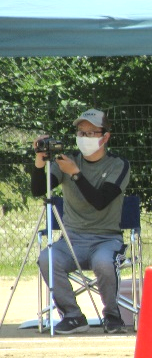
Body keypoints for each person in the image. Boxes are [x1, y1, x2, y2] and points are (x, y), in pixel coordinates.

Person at [31, 109, 131, 334]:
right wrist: (39, 161)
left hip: (106, 239)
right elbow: (38, 190)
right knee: (47, 258)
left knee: (104, 263)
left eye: (91, 133)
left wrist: (75, 174)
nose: (84, 137)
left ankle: (112, 315)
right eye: (81, 132)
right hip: (71, 239)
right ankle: (73, 315)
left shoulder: (118, 165)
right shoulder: (68, 161)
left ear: (105, 137)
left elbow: (100, 201)